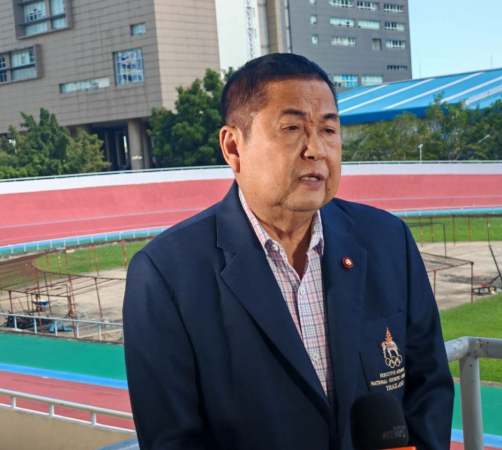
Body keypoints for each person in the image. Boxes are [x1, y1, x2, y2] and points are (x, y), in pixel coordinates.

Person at [123, 53, 454, 450]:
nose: (316, 150)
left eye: (328, 130)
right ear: (233, 147)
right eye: (292, 128)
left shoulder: (387, 240)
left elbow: (428, 385)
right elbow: (173, 440)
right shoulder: (165, 274)